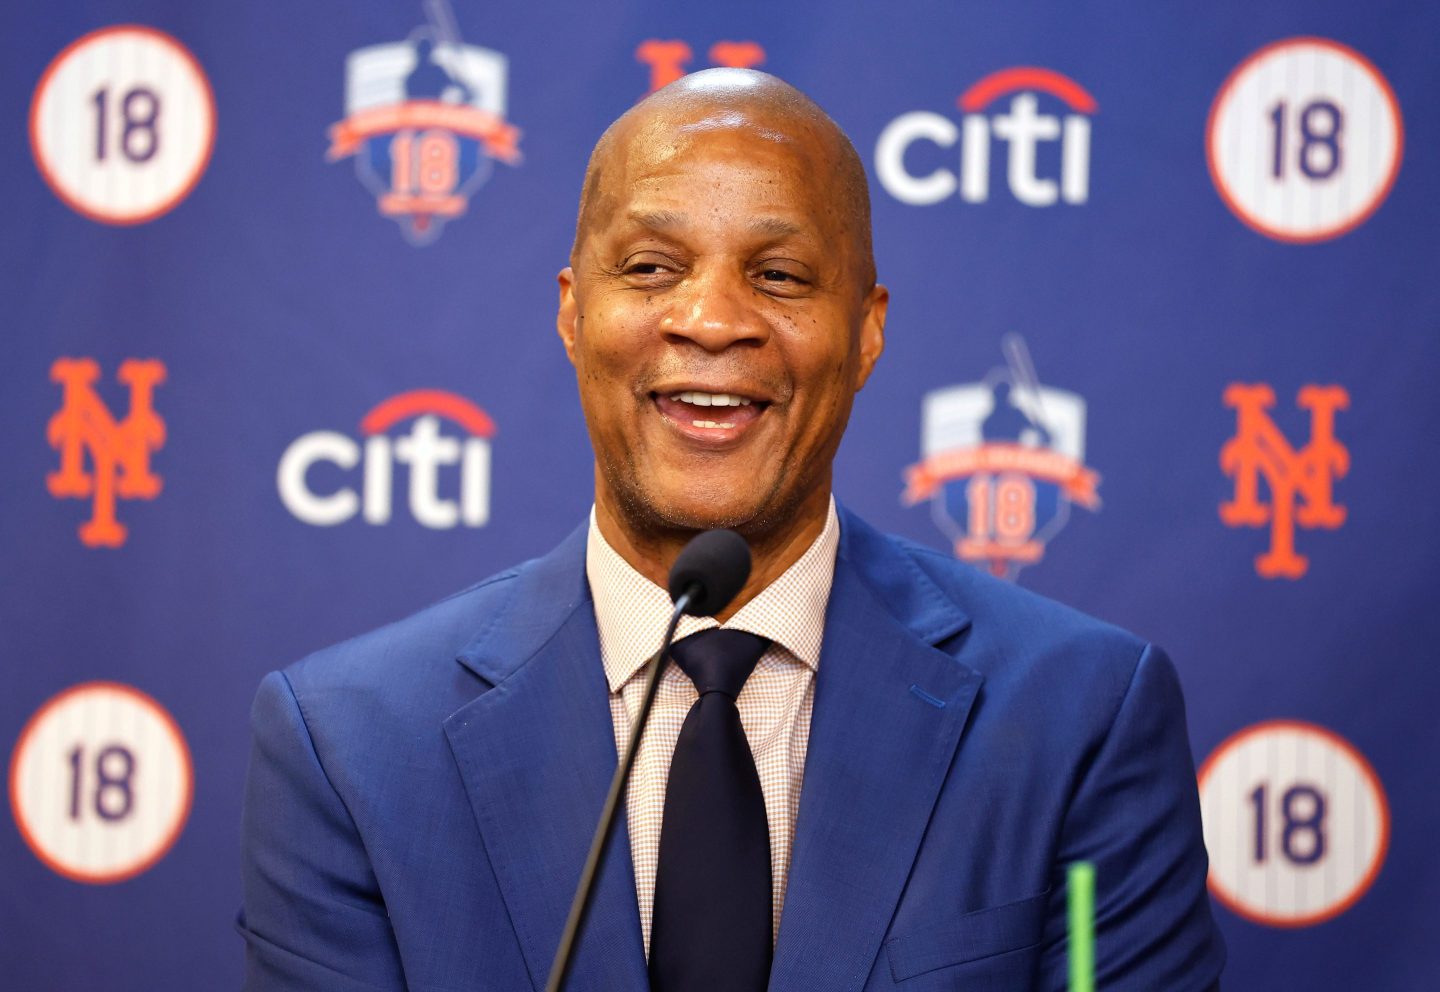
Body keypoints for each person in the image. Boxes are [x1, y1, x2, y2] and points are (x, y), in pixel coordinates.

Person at [238, 68, 1225, 991]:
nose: (712, 320)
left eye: (781, 276)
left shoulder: (1081, 715)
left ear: (868, 331)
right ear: (573, 314)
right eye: (651, 267)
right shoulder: (350, 744)